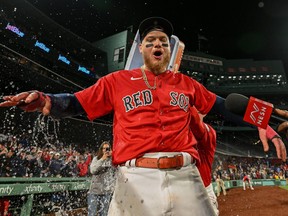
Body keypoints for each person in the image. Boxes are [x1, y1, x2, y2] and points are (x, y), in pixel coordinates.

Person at [0, 16, 286, 215]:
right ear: (141, 48)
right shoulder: (116, 81)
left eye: (162, 40)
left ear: (168, 48)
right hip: (135, 179)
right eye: (150, 41)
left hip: (186, 177)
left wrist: (262, 120)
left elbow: (224, 105)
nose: (157, 44)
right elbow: (75, 103)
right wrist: (46, 100)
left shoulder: (187, 84)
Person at [87, 141, 115, 216]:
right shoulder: (96, 159)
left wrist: (114, 155)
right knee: (91, 214)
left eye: (108, 148)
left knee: (104, 214)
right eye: (104, 148)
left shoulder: (113, 160)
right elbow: (92, 170)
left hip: (106, 192)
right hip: (94, 192)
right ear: (101, 150)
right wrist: (103, 159)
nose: (106, 150)